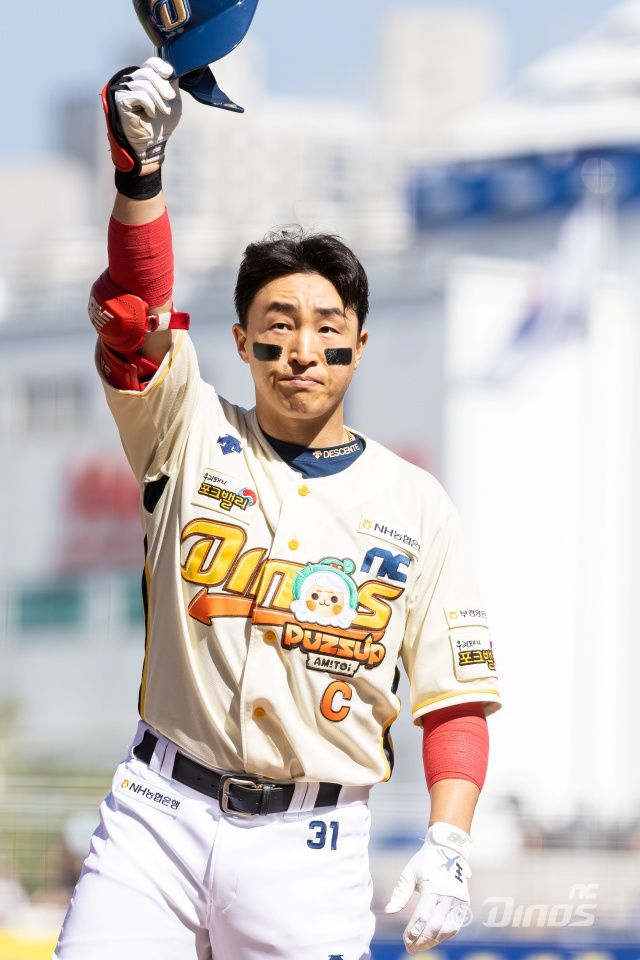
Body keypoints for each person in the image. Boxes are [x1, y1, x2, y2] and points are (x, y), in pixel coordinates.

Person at [53, 59, 501, 960]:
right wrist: (140, 173)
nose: (302, 348)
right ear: (242, 341)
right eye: (279, 323)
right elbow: (138, 311)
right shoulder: (186, 429)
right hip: (158, 816)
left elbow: (454, 699)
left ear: (360, 346)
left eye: (328, 327)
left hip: (310, 844)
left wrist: (449, 841)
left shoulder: (416, 504)